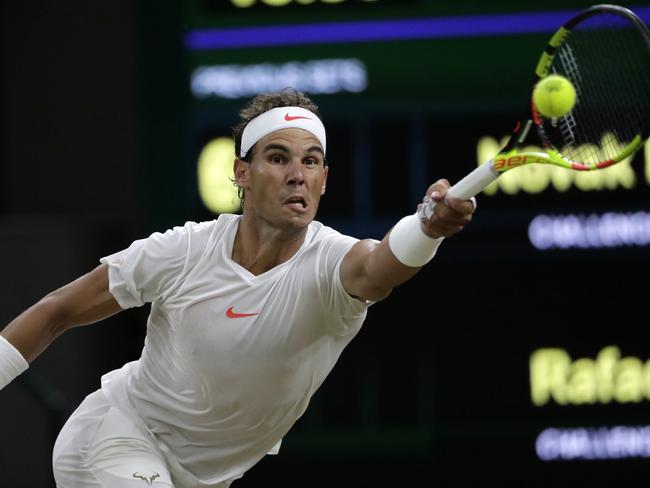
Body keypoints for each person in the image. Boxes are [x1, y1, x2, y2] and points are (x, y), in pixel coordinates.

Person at [0, 88, 476, 487]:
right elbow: (57, 309)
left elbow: (381, 266)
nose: (297, 174)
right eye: (277, 157)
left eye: (311, 161)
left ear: (324, 179)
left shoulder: (335, 265)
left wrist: (427, 229)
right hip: (114, 437)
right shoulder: (183, 251)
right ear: (241, 173)